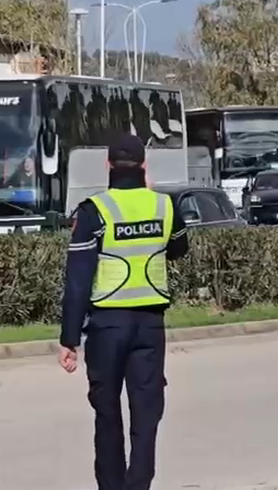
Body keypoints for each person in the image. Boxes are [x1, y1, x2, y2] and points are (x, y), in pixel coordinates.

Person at [58, 134, 189, 490]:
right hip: (150, 325)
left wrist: (70, 340)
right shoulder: (164, 206)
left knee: (107, 413)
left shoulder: (93, 211)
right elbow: (179, 249)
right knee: (146, 415)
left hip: (106, 327)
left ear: (107, 165)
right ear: (144, 166)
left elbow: (78, 281)